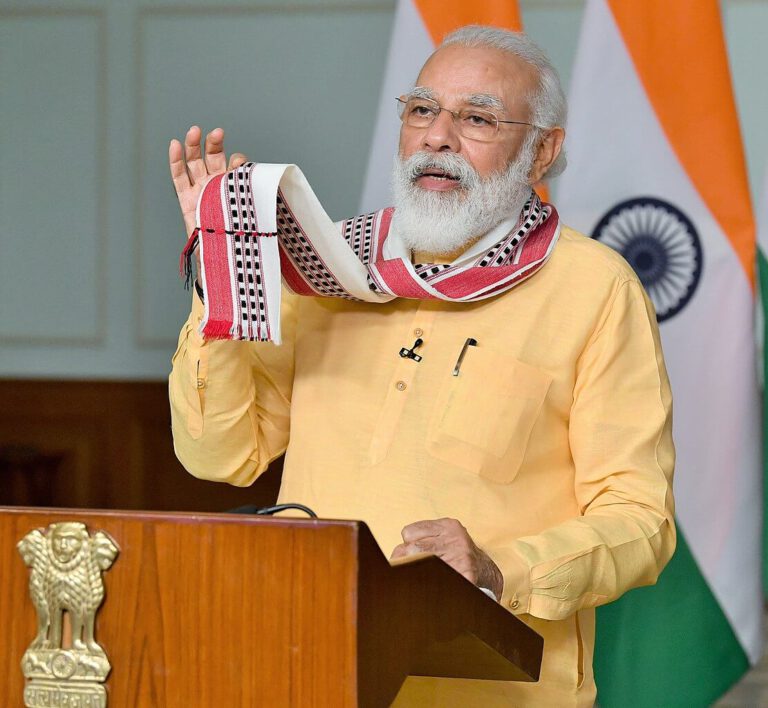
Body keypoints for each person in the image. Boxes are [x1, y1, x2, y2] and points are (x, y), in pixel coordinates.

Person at [168, 25, 675, 707]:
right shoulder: (330, 267)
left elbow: (642, 521)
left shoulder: (595, 290)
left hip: (494, 688)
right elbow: (219, 456)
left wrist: (503, 571)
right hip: (305, 666)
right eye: (422, 110)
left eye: (477, 118)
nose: (438, 137)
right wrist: (222, 275)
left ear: (542, 151)